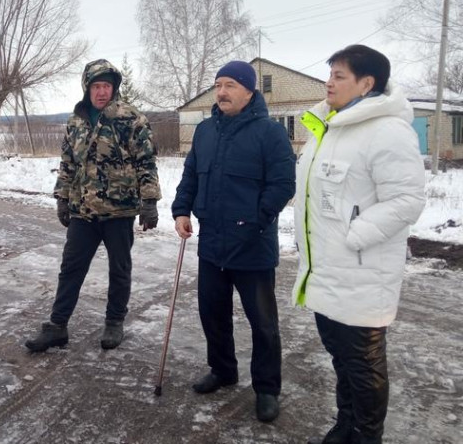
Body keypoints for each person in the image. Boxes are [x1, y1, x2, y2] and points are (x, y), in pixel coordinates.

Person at [292, 45, 426, 444]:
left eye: (339, 76)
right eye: (329, 74)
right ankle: (344, 426)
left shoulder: (387, 130)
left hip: (362, 272)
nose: (328, 82)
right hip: (327, 270)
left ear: (367, 84)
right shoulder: (330, 127)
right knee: (342, 361)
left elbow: (407, 200)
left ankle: (368, 436)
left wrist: (356, 235)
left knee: (365, 368)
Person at [172, 60, 296, 423]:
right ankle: (223, 370)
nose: (222, 92)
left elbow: (283, 184)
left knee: (263, 323)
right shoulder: (206, 131)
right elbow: (191, 174)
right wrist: (182, 210)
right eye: (218, 85)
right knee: (212, 313)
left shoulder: (269, 133)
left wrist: (255, 220)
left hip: (253, 245)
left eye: (229, 85)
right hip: (212, 242)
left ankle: (267, 389)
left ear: (249, 90)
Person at [25, 59, 161, 352]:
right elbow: (68, 163)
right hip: (83, 211)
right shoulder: (76, 121)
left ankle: (114, 322)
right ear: (87, 88)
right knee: (71, 268)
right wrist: (62, 198)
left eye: (107, 86)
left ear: (114, 88)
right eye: (96, 86)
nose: (102, 92)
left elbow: (146, 162)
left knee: (120, 268)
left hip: (119, 210)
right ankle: (57, 326)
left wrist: (149, 201)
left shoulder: (131, 118)